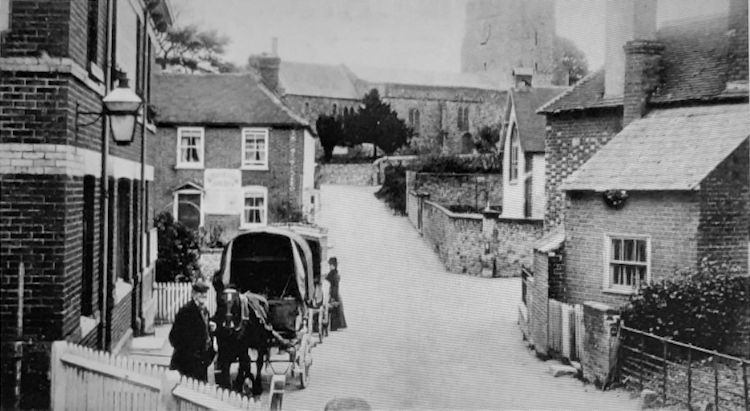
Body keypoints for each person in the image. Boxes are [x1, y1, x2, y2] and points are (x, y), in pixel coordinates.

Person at [169, 279, 216, 381]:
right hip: (187, 364)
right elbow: (173, 337)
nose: (203, 296)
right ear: (193, 294)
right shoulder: (186, 312)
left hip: (201, 362)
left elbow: (205, 333)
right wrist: (189, 353)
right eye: (200, 293)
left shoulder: (205, 311)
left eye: (205, 293)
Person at [325, 257, 347, 331]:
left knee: (334, 309)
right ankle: (337, 325)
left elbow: (334, 286)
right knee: (337, 309)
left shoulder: (333, 274)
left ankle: (334, 326)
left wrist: (333, 296)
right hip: (334, 292)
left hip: (333, 292)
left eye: (331, 265)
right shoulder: (335, 273)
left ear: (333, 265)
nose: (330, 266)